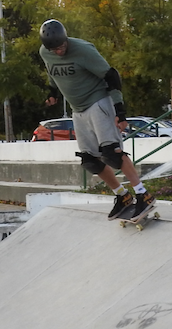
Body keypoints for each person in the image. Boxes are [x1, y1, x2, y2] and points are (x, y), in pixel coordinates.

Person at [38, 19, 155, 221]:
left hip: (99, 102)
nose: (59, 51)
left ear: (66, 39)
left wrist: (120, 111)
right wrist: (52, 91)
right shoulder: (45, 53)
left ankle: (143, 194)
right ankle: (122, 196)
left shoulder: (83, 50)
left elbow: (112, 76)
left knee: (112, 153)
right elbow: (52, 72)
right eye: (55, 49)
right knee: (90, 160)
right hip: (78, 110)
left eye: (62, 46)